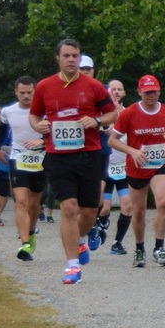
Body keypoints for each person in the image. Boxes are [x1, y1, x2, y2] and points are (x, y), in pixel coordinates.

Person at [29, 39, 120, 284]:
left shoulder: (93, 86)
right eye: (67, 55)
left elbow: (112, 113)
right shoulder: (45, 86)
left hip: (89, 154)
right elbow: (34, 115)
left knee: (89, 211)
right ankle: (72, 266)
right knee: (69, 207)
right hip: (58, 156)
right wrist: (38, 125)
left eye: (75, 56)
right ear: (58, 58)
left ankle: (80, 240)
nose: (71, 60)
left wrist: (97, 121)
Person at [110, 75, 165, 267]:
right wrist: (132, 151)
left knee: (163, 202)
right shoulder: (129, 113)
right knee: (139, 211)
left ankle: (159, 247)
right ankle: (139, 249)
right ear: (139, 92)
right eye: (147, 93)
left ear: (159, 91)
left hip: (160, 164)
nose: (151, 96)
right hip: (138, 166)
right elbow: (112, 140)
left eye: (154, 92)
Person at [1, 79, 47, 260]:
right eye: (22, 93)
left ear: (35, 92)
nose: (26, 96)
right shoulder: (8, 111)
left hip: (40, 158)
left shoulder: (45, 110)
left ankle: (31, 231)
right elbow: (3, 128)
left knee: (35, 203)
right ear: (16, 92)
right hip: (18, 158)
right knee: (21, 201)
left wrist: (41, 141)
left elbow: (54, 133)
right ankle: (25, 244)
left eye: (29, 92)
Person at [100, 78, 130, 254]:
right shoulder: (101, 115)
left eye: (120, 89)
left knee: (127, 206)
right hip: (105, 167)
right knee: (104, 208)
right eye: (113, 89)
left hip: (123, 168)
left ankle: (117, 242)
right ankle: (102, 223)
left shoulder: (129, 114)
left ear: (124, 93)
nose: (116, 92)